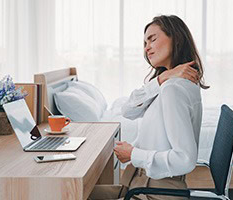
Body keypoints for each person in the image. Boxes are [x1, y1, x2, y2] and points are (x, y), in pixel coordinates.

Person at [88, 15, 209, 200]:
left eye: (153, 39)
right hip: (139, 184)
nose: (147, 48)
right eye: (145, 42)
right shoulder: (167, 84)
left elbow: (185, 160)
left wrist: (134, 154)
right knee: (76, 192)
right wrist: (163, 77)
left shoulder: (173, 89)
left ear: (176, 38)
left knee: (71, 193)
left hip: (157, 193)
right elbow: (128, 111)